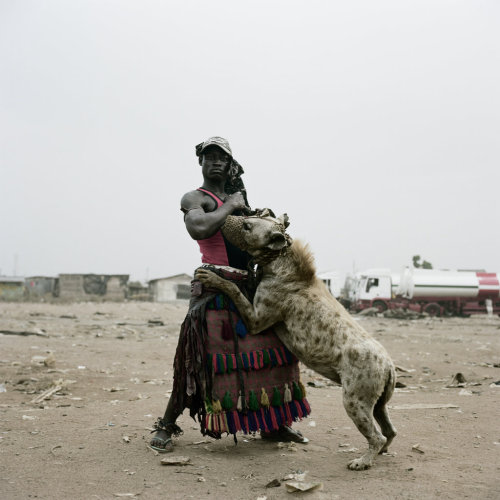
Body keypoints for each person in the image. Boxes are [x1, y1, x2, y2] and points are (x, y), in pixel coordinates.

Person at [150, 137, 310, 452]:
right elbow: (198, 228)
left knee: (274, 354)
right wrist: (232, 206)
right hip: (213, 289)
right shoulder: (196, 197)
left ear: (231, 164)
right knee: (197, 363)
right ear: (201, 163)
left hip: (249, 289)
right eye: (210, 157)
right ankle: (166, 426)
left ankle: (275, 425)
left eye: (222, 157)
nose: (216, 162)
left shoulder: (239, 198)